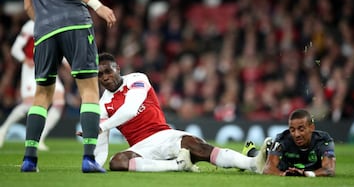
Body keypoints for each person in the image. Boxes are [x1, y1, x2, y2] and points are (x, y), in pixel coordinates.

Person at [83, 52, 271, 173]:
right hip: (140, 147)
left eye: (108, 71)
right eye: (100, 74)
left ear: (118, 69)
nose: (105, 77)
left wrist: (100, 126)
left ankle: (252, 163)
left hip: (164, 135)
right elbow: (101, 143)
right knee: (117, 162)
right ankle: (178, 165)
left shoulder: (137, 79)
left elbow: (130, 110)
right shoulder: (102, 104)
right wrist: (95, 163)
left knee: (199, 147)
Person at [21, 0, 116, 173]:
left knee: (42, 94)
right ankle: (89, 158)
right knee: (89, 90)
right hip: (75, 23)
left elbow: (27, 6)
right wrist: (98, 6)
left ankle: (29, 160)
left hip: (44, 30)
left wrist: (47, 24)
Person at [0, 20, 65, 151]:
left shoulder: (55, 24)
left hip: (48, 67)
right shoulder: (30, 25)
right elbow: (15, 49)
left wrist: (67, 63)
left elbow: (58, 48)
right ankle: (3, 129)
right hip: (31, 70)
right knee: (29, 104)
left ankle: (40, 138)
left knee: (59, 102)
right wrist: (25, 59)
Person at [244, 109, 336, 177]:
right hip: (282, 164)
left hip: (304, 169)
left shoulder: (323, 141)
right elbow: (268, 169)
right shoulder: (282, 139)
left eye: (301, 129)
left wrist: (306, 174)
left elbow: (329, 170)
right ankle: (251, 151)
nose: (296, 134)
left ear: (311, 127)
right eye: (292, 130)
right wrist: (284, 174)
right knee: (263, 157)